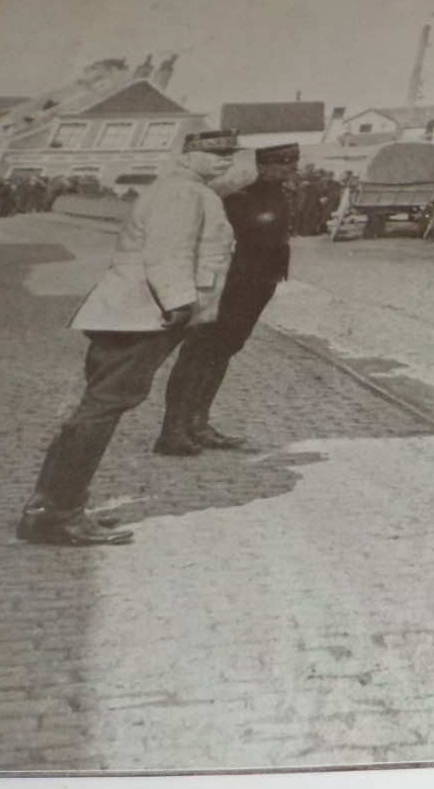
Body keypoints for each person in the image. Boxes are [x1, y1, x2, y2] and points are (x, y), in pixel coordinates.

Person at [16, 129, 240, 546]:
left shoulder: (185, 187)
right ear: (189, 154)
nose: (226, 159)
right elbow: (167, 252)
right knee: (102, 408)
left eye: (231, 152)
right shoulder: (182, 192)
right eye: (216, 152)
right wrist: (179, 304)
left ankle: (48, 508)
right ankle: (56, 515)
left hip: (138, 310)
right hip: (145, 314)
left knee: (98, 407)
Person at [153, 143, 296, 456]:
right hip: (229, 284)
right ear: (262, 165)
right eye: (281, 163)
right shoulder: (235, 195)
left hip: (258, 285)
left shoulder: (279, 193)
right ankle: (173, 429)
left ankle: (199, 423)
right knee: (200, 351)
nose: (289, 169)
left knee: (223, 352)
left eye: (291, 162)